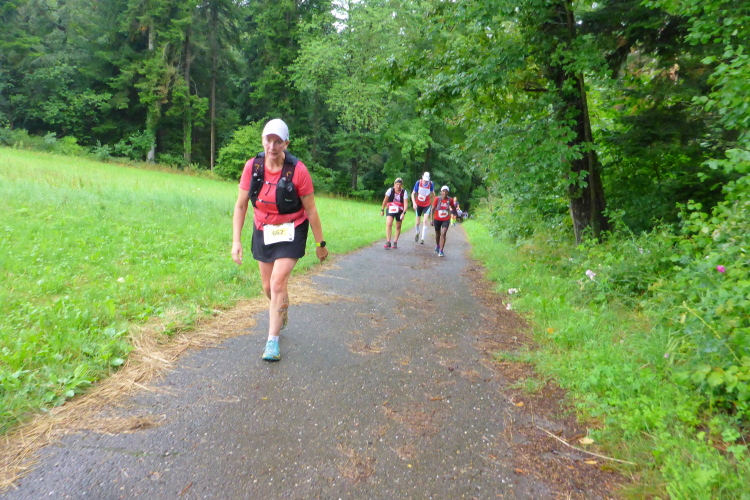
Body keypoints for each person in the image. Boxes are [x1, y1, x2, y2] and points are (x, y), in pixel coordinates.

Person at [231, 118, 328, 362]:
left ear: (286, 143)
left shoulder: (298, 170)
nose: (272, 146)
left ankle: (272, 342)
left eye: (278, 141)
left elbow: (311, 210)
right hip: (263, 228)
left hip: (292, 229)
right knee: (268, 287)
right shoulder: (253, 167)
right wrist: (236, 241)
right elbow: (241, 206)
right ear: (262, 140)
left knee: (277, 282)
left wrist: (320, 244)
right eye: (268, 140)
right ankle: (282, 307)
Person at [380, 177, 408, 249]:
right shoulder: (390, 190)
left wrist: (403, 213)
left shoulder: (404, 192)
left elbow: (406, 204)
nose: (398, 186)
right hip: (391, 209)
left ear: (402, 185)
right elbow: (385, 200)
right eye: (397, 184)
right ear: (394, 184)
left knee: (398, 226)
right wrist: (382, 209)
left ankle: (395, 242)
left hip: (400, 210)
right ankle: (388, 241)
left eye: (400, 185)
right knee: (389, 223)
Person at [431, 185, 457, 257]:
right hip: (437, 219)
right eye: (443, 191)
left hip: (446, 219)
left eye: (446, 191)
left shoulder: (450, 200)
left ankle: (441, 251)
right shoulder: (437, 199)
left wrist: (456, 214)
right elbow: (432, 210)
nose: (444, 193)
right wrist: (431, 220)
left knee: (443, 233)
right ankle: (437, 246)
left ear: (448, 193)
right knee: (437, 234)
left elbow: (453, 207)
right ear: (441, 192)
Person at [411, 172, 435, 244]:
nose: (425, 181)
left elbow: (433, 194)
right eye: (424, 180)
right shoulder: (418, 183)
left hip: (427, 204)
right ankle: (417, 232)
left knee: (425, 221)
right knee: (417, 223)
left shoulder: (431, 184)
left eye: (426, 180)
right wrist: (414, 203)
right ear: (422, 177)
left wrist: (434, 203)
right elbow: (412, 194)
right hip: (418, 204)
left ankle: (422, 239)